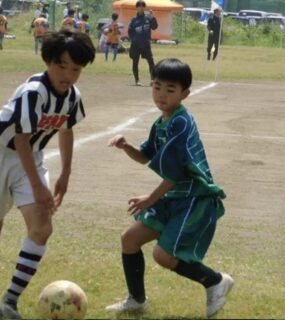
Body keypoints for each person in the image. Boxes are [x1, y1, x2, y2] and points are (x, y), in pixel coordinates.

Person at [0, 29, 96, 320]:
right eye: (61, 65)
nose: (68, 74)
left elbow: (66, 130)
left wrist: (65, 174)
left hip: (32, 158)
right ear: (48, 61)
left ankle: (8, 302)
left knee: (42, 227)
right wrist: (39, 188)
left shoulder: (72, 97)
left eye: (76, 69)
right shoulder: (33, 93)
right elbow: (20, 141)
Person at [105, 58, 234, 318]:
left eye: (170, 89)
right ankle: (137, 301)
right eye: (156, 87)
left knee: (163, 255)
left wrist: (149, 199)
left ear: (185, 94)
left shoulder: (180, 123)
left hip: (194, 198)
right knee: (130, 240)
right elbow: (145, 156)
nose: (161, 95)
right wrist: (126, 146)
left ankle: (215, 281)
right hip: (174, 195)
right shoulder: (162, 122)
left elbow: (174, 175)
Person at [128, 0, 157, 86]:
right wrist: (134, 40)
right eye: (139, 6)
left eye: (142, 6)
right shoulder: (134, 20)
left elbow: (154, 27)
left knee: (151, 61)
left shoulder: (148, 18)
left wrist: (152, 18)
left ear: (144, 8)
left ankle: (152, 79)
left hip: (146, 44)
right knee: (135, 61)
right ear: (136, 8)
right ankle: (137, 80)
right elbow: (130, 32)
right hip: (136, 45)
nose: (141, 8)